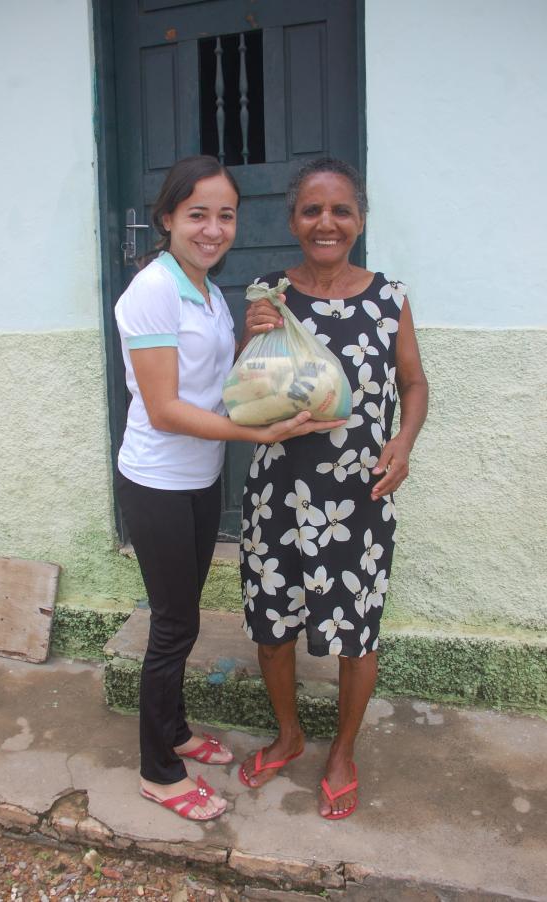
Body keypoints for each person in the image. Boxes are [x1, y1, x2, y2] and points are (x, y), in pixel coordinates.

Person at [114, 155, 346, 822]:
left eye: (225, 215)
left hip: (200, 476)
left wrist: (261, 344)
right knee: (173, 626)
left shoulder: (209, 291)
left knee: (180, 621)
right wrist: (260, 437)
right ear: (166, 219)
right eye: (197, 215)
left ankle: (176, 731)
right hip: (157, 479)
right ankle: (158, 772)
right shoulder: (153, 290)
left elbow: (218, 384)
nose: (213, 229)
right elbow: (164, 409)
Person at [238, 157, 429, 819]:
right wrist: (250, 341)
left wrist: (403, 442)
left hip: (360, 498)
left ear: (360, 220)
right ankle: (289, 735)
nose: (326, 223)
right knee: (271, 628)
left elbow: (415, 384)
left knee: (358, 634)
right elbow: (246, 391)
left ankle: (343, 749)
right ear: (293, 221)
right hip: (278, 493)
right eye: (312, 210)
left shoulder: (388, 298)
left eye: (340, 210)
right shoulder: (268, 294)